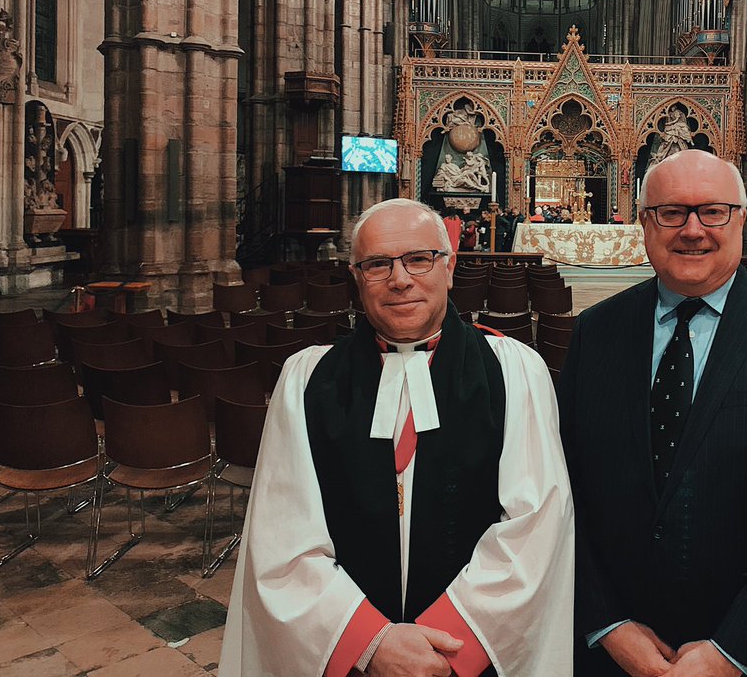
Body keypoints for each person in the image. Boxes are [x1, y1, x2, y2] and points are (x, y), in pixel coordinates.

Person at [221, 198, 574, 677]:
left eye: (418, 259)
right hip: (355, 659)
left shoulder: (514, 371)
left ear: (448, 268)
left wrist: (449, 644)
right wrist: (371, 643)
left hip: (470, 655)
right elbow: (281, 537)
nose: (400, 279)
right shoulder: (307, 379)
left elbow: (537, 524)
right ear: (355, 276)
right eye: (378, 264)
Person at [559, 150, 747, 677]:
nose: (692, 230)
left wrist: (731, 651)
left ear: (741, 218)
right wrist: (606, 624)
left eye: (713, 211)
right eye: (671, 212)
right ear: (644, 222)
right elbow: (565, 494)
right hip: (614, 653)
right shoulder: (596, 332)